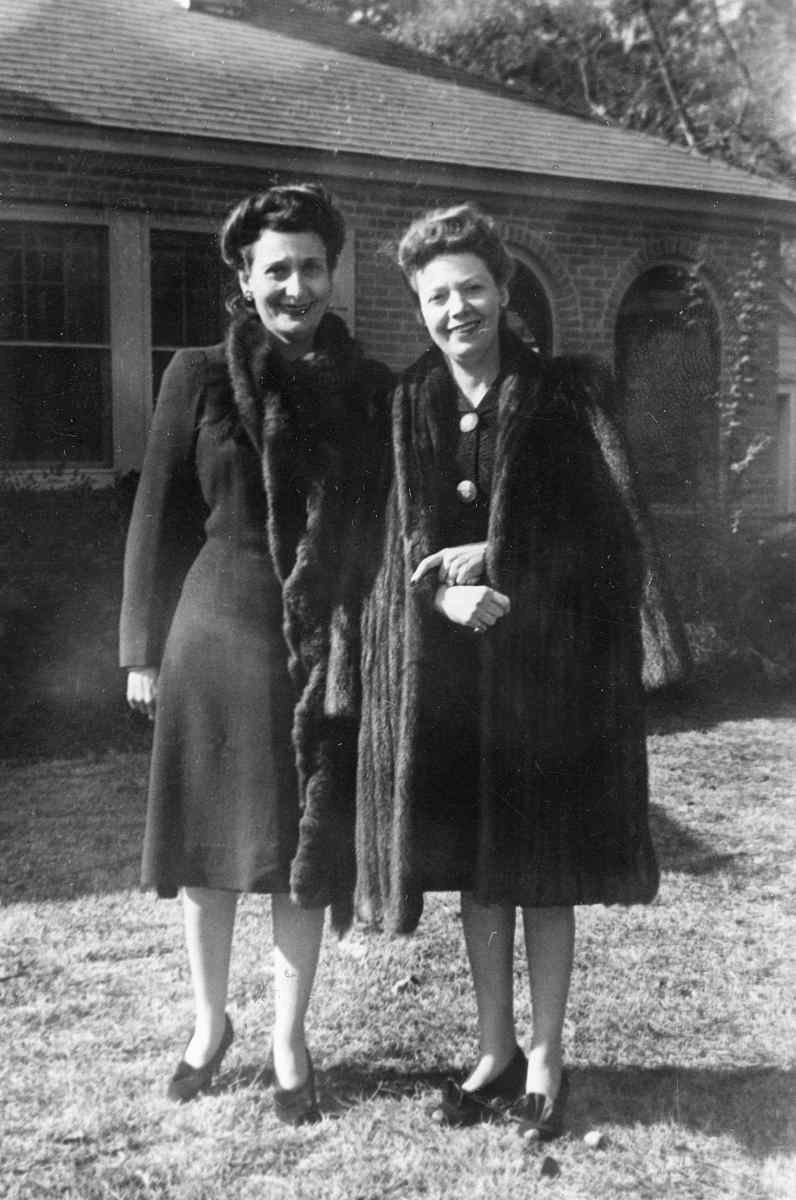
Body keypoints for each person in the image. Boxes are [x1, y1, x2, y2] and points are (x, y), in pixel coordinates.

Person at [355, 204, 689, 1139]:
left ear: (504, 292)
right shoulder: (408, 403)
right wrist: (441, 595)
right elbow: (393, 545)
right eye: (436, 296)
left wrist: (498, 558)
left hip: (547, 672)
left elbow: (612, 541)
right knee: (479, 867)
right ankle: (495, 1048)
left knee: (541, 866)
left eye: (472, 289)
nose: (456, 309)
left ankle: (545, 1056)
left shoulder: (564, 397)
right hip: (452, 679)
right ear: (418, 305)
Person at [120, 183, 390, 1120]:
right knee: (206, 847)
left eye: (312, 267)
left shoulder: (367, 387)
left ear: (333, 274)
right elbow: (155, 513)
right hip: (214, 626)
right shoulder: (197, 374)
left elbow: (383, 525)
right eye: (277, 270)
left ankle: (287, 1038)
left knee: (297, 846)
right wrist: (139, 649)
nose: (296, 287)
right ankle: (208, 1024)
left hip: (316, 644)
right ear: (244, 278)